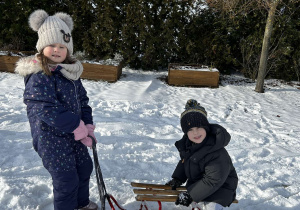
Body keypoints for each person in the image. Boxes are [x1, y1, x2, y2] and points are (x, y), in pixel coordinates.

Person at [15, 9, 98, 210]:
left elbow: (83, 100)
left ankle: (81, 204)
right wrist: (77, 126)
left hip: (74, 134)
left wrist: (87, 124)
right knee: (66, 179)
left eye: (62, 46)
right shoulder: (39, 75)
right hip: (51, 139)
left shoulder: (70, 72)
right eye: (51, 44)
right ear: (41, 46)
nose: (56, 50)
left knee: (84, 167)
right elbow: (45, 109)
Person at [166, 99, 238, 210]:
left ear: (206, 128)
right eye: (190, 129)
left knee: (212, 208)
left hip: (221, 189)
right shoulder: (189, 145)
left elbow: (214, 180)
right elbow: (185, 162)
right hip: (199, 185)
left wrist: (191, 195)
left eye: (199, 127)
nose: (195, 133)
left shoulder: (216, 150)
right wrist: (178, 178)